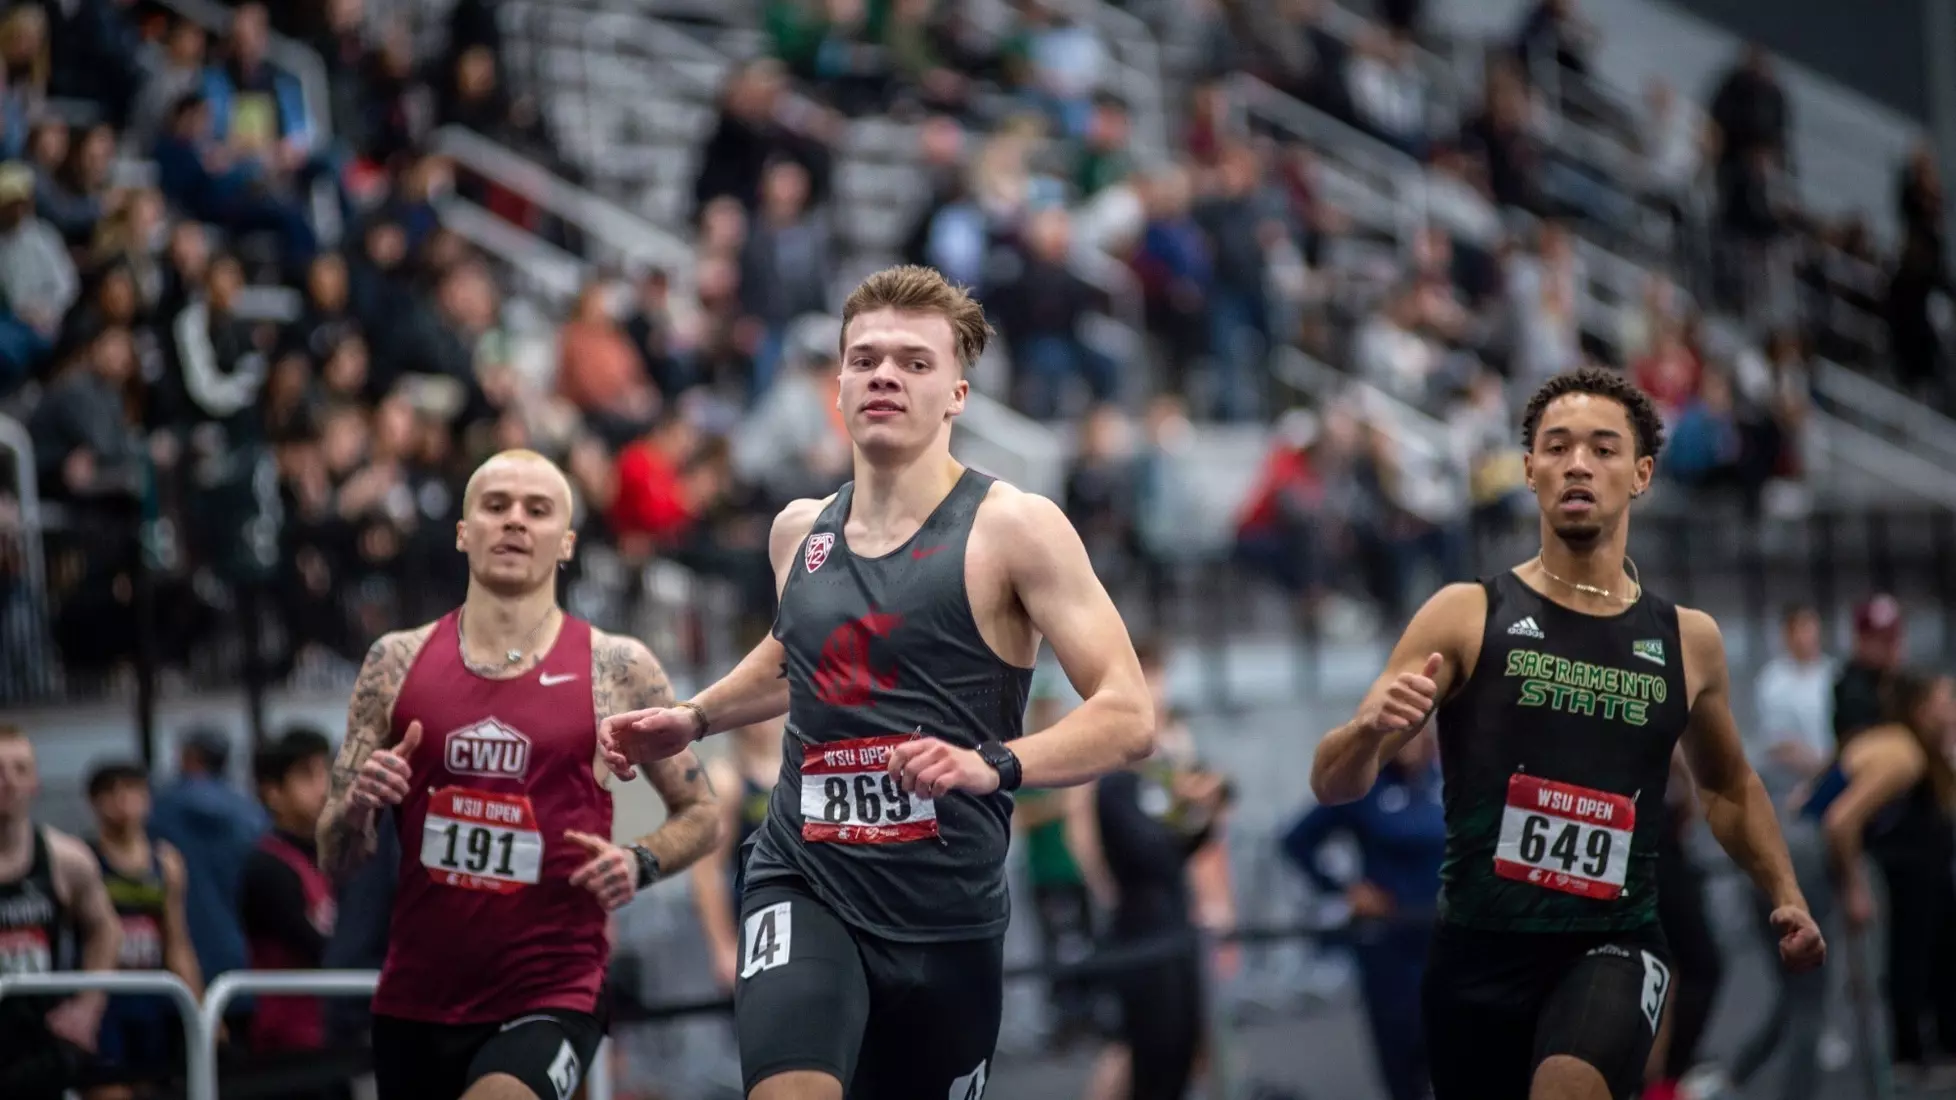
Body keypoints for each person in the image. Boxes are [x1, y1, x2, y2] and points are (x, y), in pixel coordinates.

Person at [599, 264, 1156, 1100]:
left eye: (913, 361)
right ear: (839, 384)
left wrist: (991, 763)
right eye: (864, 359)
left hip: (947, 912)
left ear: (957, 394)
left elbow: (1128, 714)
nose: (885, 375)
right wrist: (695, 716)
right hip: (804, 875)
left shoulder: (1014, 528)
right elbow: (797, 657)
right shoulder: (799, 531)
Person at [1308, 366, 1825, 1100]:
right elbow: (1333, 783)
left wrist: (1787, 892)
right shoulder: (1463, 614)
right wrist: (1364, 732)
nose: (1577, 462)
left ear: (1642, 473)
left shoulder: (1688, 641)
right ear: (1528, 470)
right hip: (1476, 956)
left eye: (1603, 448)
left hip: (1613, 941)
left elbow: (1727, 783)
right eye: (1557, 447)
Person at [313, 449, 724, 1100]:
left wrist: (638, 862)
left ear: (565, 543)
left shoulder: (616, 667)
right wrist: (360, 806)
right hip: (417, 997)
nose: (514, 522)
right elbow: (335, 855)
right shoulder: (394, 662)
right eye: (495, 506)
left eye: (537, 511)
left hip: (552, 988)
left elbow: (702, 813)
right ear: (462, 530)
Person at [1068, 669, 1231, 1100]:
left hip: (1175, 927)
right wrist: (1187, 805)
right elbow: (1151, 852)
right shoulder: (1117, 787)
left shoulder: (1153, 785)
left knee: (1183, 1047)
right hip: (1142, 936)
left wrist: (1207, 812)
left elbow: (1180, 849)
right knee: (1146, 1052)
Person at [1284, 726, 1445, 1100]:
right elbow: (1297, 840)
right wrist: (1344, 889)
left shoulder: (1448, 780)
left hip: (1443, 941)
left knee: (1455, 1055)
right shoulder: (1366, 788)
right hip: (1388, 947)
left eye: (1414, 731)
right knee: (1400, 1060)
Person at [1814, 672, 1956, 1088]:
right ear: (1921, 708)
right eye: (1946, 700)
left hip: (1895, 868)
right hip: (1831, 865)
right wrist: (1854, 887)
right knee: (1807, 1004)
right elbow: (1838, 820)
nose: (1952, 710)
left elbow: (1817, 793)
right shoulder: (1904, 751)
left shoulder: (1908, 748)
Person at [0, 725, 124, 1100]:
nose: (6, 782)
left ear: (35, 781)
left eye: (19, 769)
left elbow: (107, 930)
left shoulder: (64, 859)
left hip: (39, 1049)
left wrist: (88, 1006)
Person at [84, 760, 202, 1098]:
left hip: (153, 996)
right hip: (108, 1002)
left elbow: (177, 940)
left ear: (147, 798)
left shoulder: (166, 862)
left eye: (132, 790)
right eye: (110, 792)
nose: (122, 800)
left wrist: (200, 1007)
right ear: (94, 802)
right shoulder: (84, 860)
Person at [146, 726, 268, 1006]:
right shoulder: (251, 814)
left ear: (188, 757)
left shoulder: (158, 811)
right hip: (244, 963)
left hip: (174, 969)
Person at [241, 728, 336, 1056]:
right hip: (288, 1046)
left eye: (326, 772)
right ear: (273, 793)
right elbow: (321, 948)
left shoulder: (329, 857)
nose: (323, 788)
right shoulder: (268, 866)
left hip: (330, 1035)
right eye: (307, 776)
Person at [690, 718, 786, 991]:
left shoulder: (797, 771)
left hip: (799, 915)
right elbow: (706, 871)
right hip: (754, 921)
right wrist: (723, 946)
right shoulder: (726, 780)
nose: (764, 720)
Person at [1832, 595, 1904, 746]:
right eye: (1882, 640)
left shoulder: (1899, 681)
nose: (1891, 647)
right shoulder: (1849, 689)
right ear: (1860, 640)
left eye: (1893, 638)